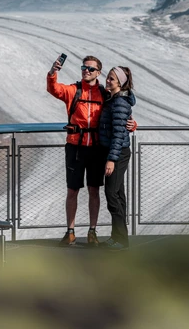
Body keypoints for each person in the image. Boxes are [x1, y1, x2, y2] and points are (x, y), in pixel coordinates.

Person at [47, 56, 135, 247]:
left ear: (98, 72)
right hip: (75, 147)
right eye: (84, 67)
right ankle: (70, 232)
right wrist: (53, 72)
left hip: (96, 149)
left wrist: (132, 124)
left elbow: (122, 112)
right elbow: (54, 89)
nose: (86, 71)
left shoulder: (105, 94)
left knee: (95, 190)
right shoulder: (74, 90)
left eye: (91, 69)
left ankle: (92, 232)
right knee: (73, 190)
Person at [99, 66, 136, 250]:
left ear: (120, 82)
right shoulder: (113, 100)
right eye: (108, 77)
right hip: (117, 152)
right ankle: (119, 238)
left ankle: (120, 239)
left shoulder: (119, 103)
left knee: (112, 194)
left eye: (112, 79)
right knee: (118, 194)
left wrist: (111, 159)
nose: (108, 81)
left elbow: (119, 133)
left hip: (118, 154)